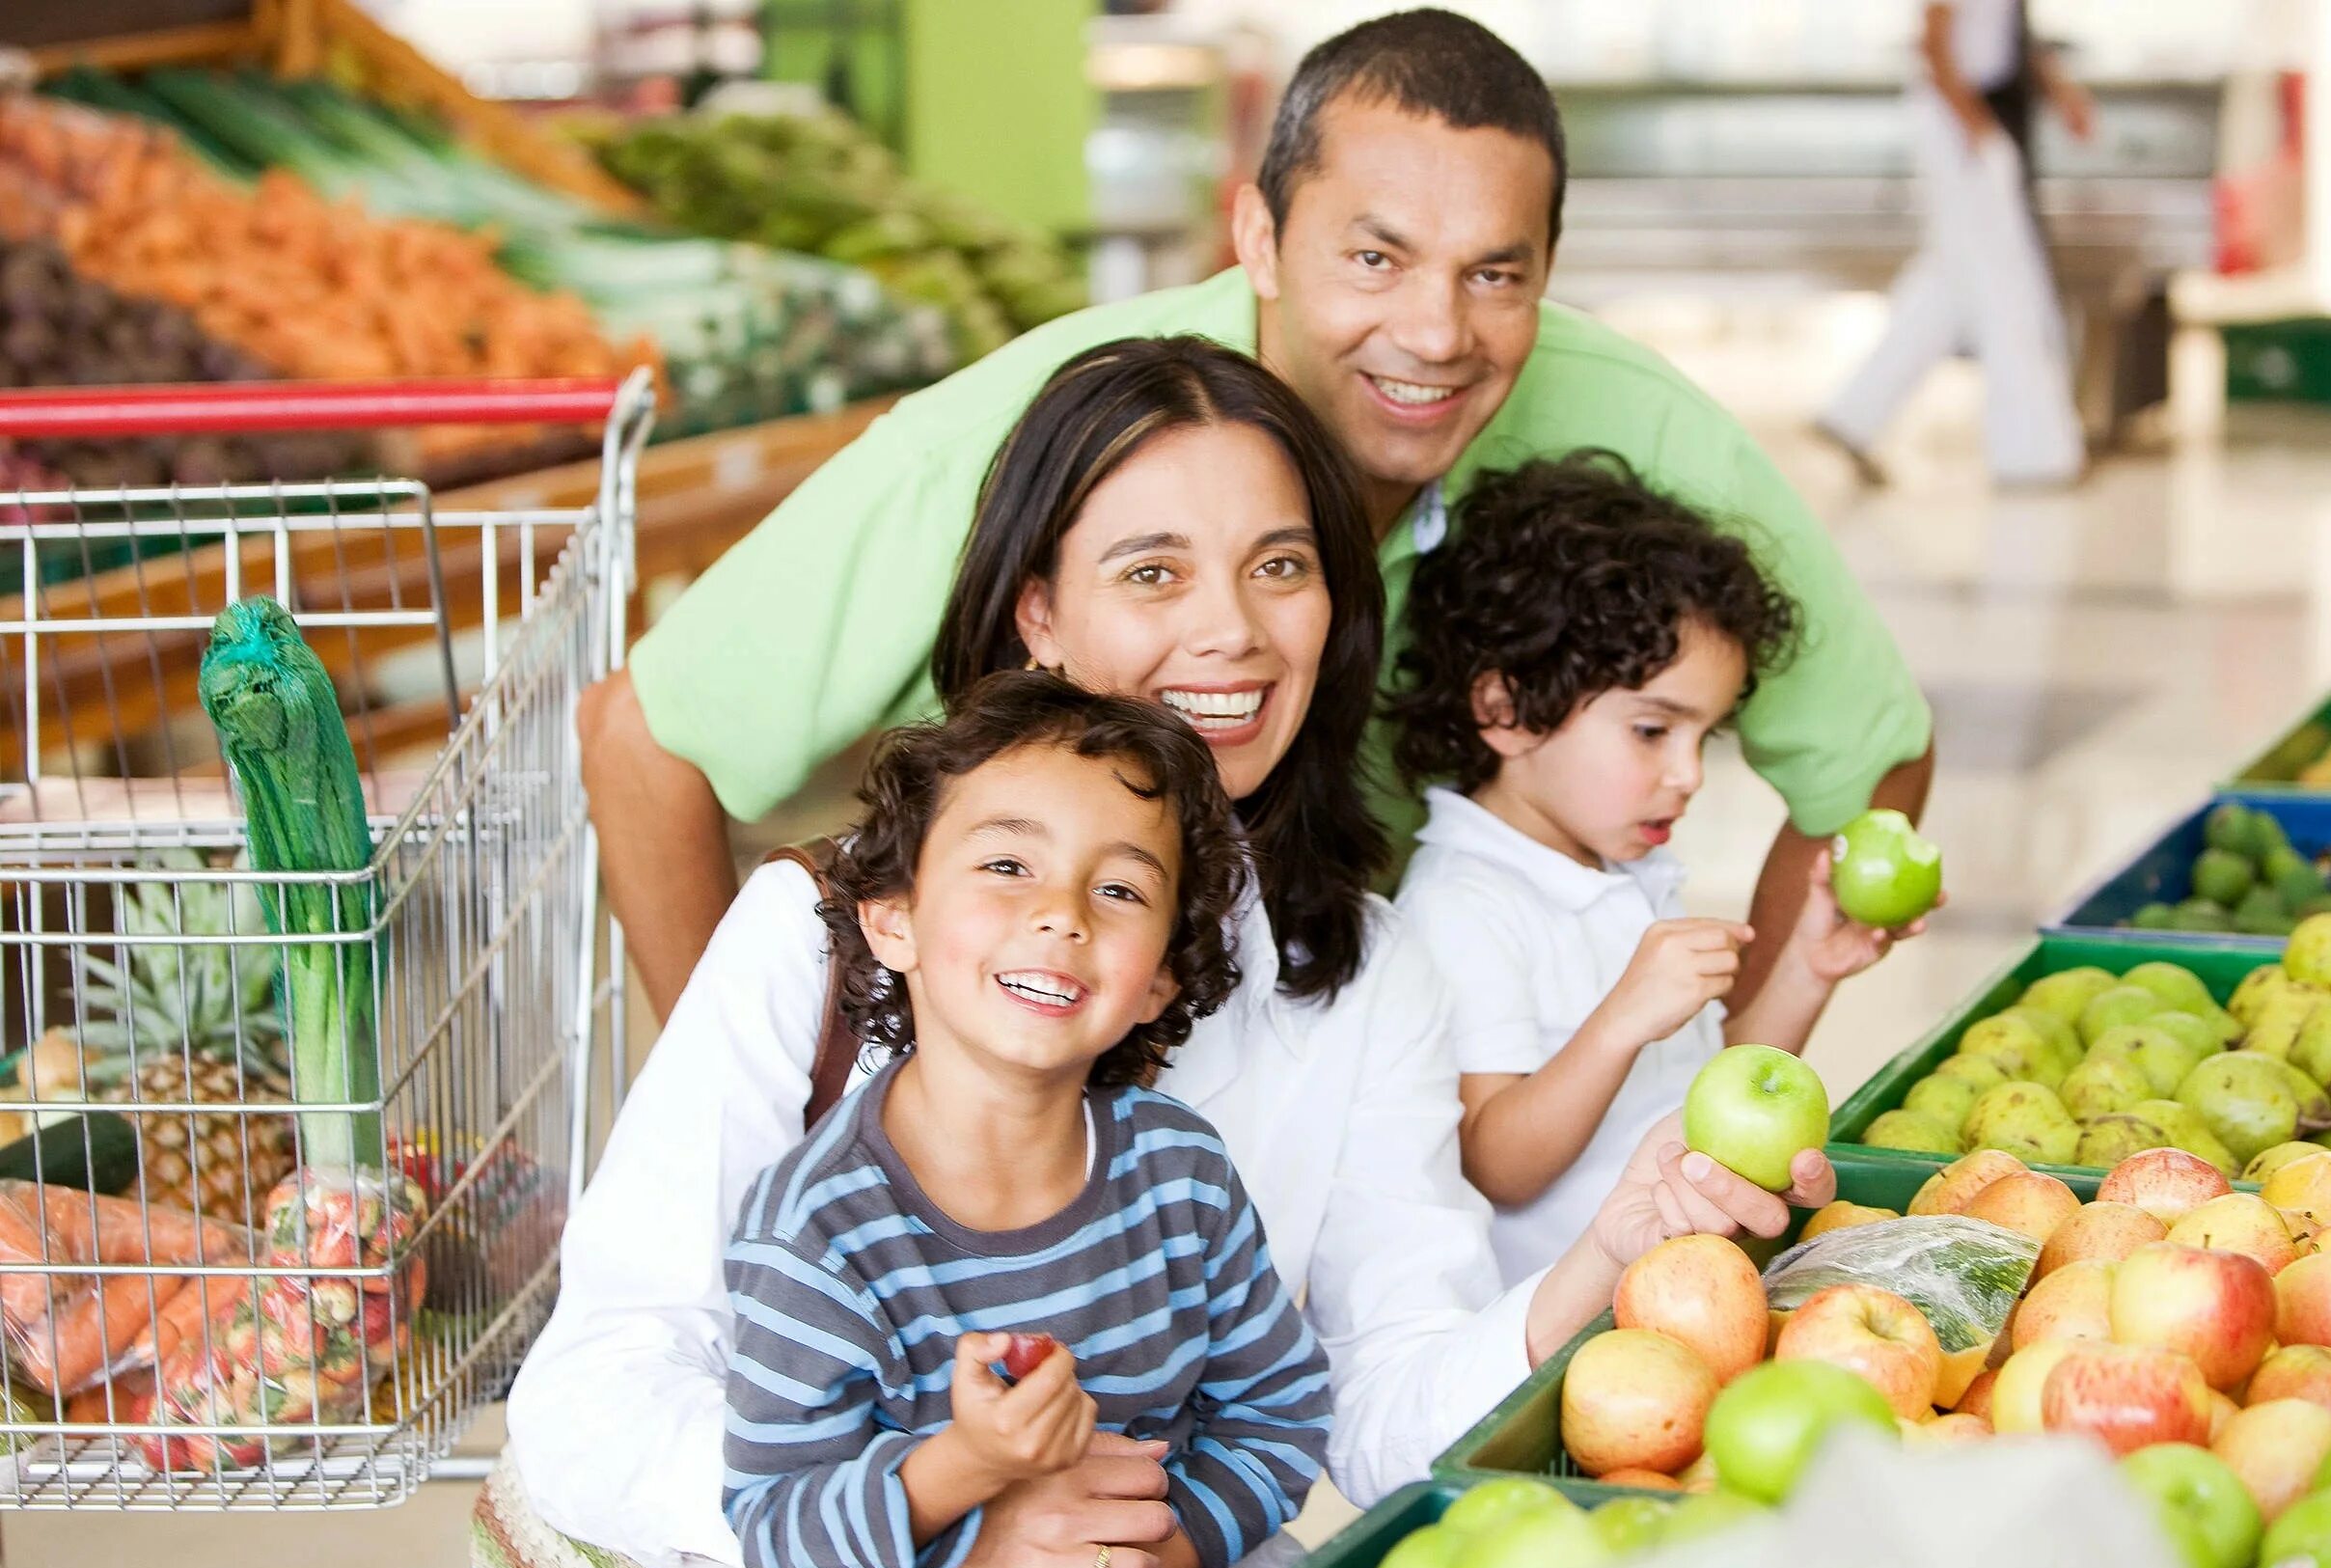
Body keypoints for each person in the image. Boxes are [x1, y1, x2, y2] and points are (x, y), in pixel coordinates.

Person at [480, 339, 1837, 1568]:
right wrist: (947, 1520)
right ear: (1040, 618)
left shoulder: (1357, 972)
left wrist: (1611, 1249)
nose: (1232, 631)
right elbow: (597, 1394)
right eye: (1152, 572)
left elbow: (1373, 1407)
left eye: (1280, 567)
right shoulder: (827, 934)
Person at [583, 8, 1933, 1033]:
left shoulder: (1634, 427)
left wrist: (1713, 1105)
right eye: (1374, 255)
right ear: (1261, 237)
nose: (1435, 334)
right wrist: (779, 1137)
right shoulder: (1025, 440)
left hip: (1397, 1085)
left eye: (1495, 274)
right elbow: (646, 743)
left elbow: (1872, 765)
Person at [723, 674, 1330, 1568]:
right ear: (892, 917)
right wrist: (971, 1461)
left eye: (1120, 888)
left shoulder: (1180, 1174)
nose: (1061, 914)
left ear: (1161, 978)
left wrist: (1149, 1556)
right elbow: (777, 1520)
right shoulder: (817, 1225)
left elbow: (1277, 1407)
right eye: (1007, 863)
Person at [1387, 455, 1929, 1286]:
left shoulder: (1624, 869)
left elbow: (1709, 1099)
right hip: (1576, 1333)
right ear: (1504, 709)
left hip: (1685, 1283)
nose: (1689, 775)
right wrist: (1620, 1021)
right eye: (1651, 731)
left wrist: (1806, 970)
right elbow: (1495, 1159)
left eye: (1702, 737)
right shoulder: (1465, 904)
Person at [1816, 0, 2099, 488]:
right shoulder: (1968, 121)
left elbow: (2011, 36)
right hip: (1963, 124)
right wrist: (1974, 125)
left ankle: (1854, 413)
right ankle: (2030, 454)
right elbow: (1934, 37)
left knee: (1953, 283)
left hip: (1979, 118)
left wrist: (2060, 92)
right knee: (2007, 284)